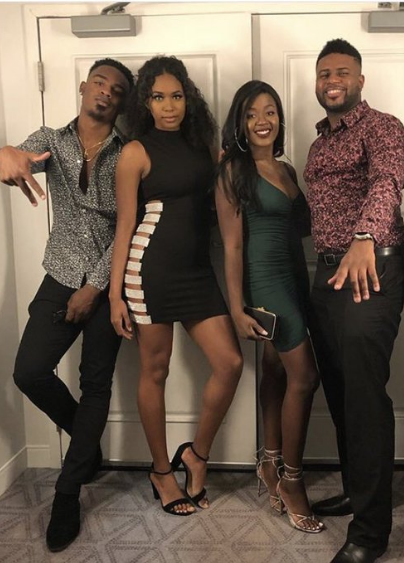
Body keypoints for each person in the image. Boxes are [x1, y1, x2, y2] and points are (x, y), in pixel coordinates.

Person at [0, 58, 134, 552]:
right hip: (58, 274)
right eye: (99, 82)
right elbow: (16, 158)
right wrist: (5, 155)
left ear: (122, 102)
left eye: (116, 90)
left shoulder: (128, 152)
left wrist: (95, 286)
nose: (106, 93)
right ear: (83, 86)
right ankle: (85, 443)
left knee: (96, 384)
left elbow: (129, 225)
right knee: (29, 371)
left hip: (109, 283)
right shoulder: (51, 140)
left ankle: (67, 492)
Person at [109, 56, 243, 517]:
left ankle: (196, 455)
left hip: (196, 272)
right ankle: (161, 471)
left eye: (177, 96)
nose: (169, 106)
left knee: (229, 363)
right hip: (148, 272)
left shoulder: (202, 143)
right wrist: (115, 295)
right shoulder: (135, 152)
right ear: (145, 103)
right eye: (159, 97)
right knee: (155, 371)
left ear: (189, 99)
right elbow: (125, 225)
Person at [303, 39, 404, 563]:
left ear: (360, 80)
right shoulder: (317, 145)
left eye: (342, 72)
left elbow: (388, 180)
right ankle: (357, 489)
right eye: (325, 73)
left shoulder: (382, 127)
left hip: (373, 268)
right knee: (342, 391)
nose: (332, 80)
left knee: (365, 398)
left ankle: (370, 533)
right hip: (326, 273)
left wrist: (365, 236)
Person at [215, 80, 322, 533]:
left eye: (270, 111)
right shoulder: (231, 171)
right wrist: (237, 307)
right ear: (240, 122)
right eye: (252, 113)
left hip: (295, 277)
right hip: (265, 283)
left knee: (277, 371)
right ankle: (292, 480)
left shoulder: (287, 169)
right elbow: (232, 245)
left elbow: (302, 228)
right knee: (306, 376)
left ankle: (269, 462)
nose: (263, 121)